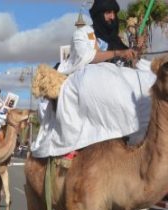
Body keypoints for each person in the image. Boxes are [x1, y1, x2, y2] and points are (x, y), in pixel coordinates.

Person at [31, 0, 156, 158]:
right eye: (108, 13)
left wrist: (135, 50)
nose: (112, 17)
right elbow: (87, 57)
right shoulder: (83, 33)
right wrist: (118, 53)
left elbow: (129, 58)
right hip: (84, 78)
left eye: (114, 13)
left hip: (113, 82)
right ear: (99, 15)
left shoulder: (115, 40)